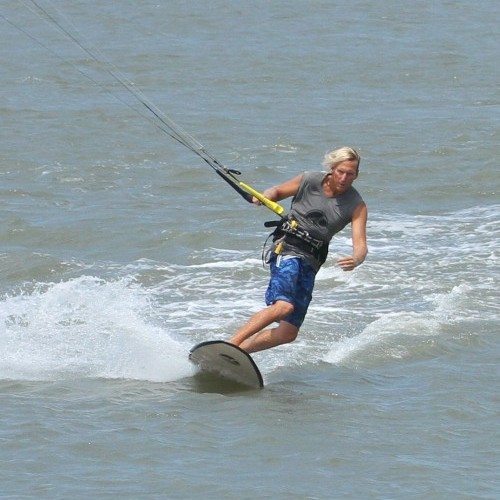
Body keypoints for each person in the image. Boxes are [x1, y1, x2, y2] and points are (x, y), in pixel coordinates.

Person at [229, 146, 368, 353]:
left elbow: (361, 245)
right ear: (332, 168)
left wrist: (356, 259)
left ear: (356, 175)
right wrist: (265, 196)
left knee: (288, 333)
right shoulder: (310, 180)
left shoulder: (356, 205)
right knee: (283, 306)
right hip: (287, 248)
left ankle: (235, 355)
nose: (344, 177)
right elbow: (277, 192)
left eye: (350, 173)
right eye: (340, 171)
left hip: (311, 261)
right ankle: (231, 344)